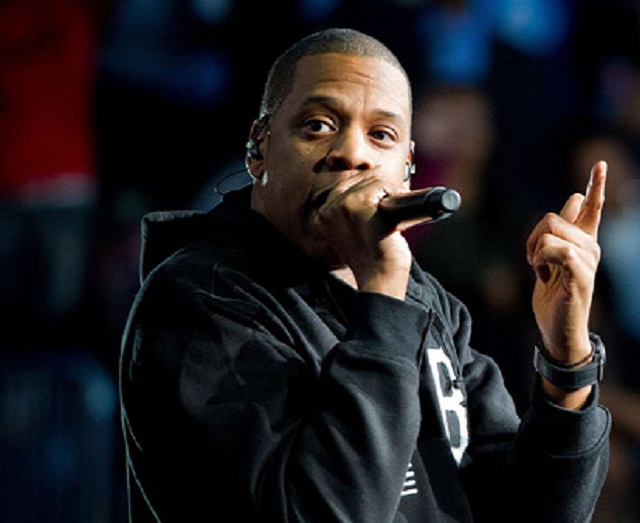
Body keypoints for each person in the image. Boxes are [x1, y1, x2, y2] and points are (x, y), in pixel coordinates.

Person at [119, 28, 611, 522]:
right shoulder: (200, 299)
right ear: (258, 147)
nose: (353, 154)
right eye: (317, 125)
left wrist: (566, 361)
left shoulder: (426, 303)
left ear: (407, 169)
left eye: (381, 135)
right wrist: (383, 301)